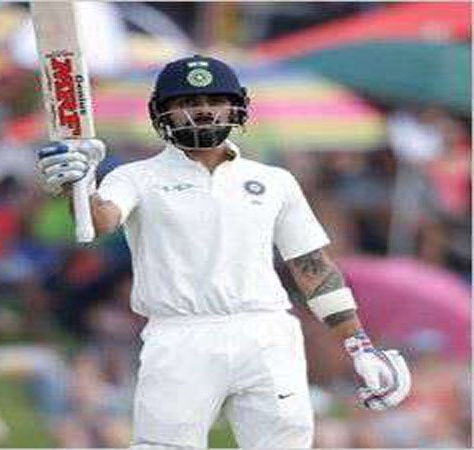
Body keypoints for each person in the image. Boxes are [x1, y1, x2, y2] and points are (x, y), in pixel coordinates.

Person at [37, 55, 411, 449]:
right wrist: (79, 186)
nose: (202, 111)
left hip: (266, 332)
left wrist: (359, 345)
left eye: (214, 100)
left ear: (236, 107)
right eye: (187, 102)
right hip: (179, 336)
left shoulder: (274, 181)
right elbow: (100, 221)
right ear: (162, 112)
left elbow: (311, 264)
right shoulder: (135, 177)